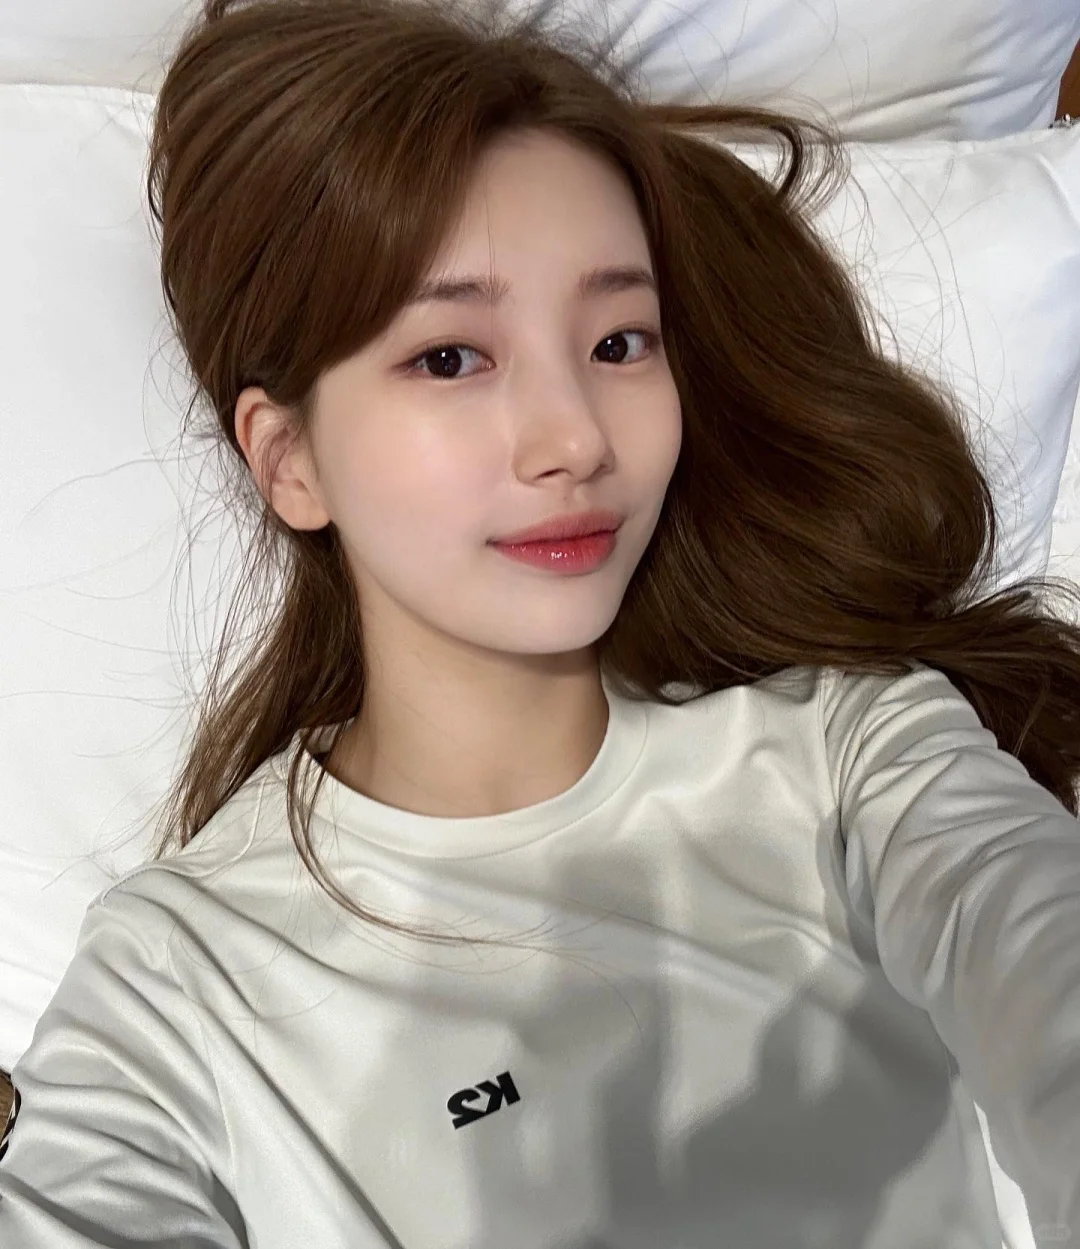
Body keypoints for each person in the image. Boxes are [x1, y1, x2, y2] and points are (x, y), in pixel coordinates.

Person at [3, 0, 1080, 1245]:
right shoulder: (177, 983)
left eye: (620, 341)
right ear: (289, 459)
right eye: (450, 358)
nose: (575, 439)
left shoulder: (857, 761)